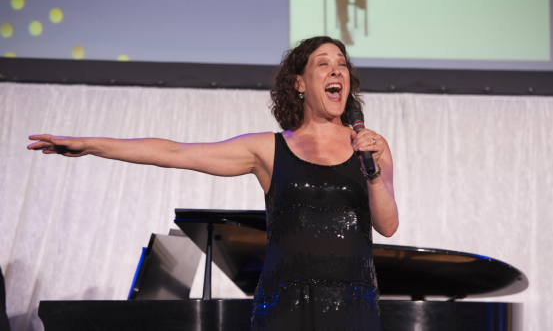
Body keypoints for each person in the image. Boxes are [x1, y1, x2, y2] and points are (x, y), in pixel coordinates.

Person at [27, 36, 399, 331]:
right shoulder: (269, 150)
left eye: (342, 65)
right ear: (300, 83)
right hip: (286, 309)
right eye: (324, 64)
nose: (337, 71)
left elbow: (387, 225)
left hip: (354, 307)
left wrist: (373, 172)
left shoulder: (371, 148)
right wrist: (91, 145)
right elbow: (176, 151)